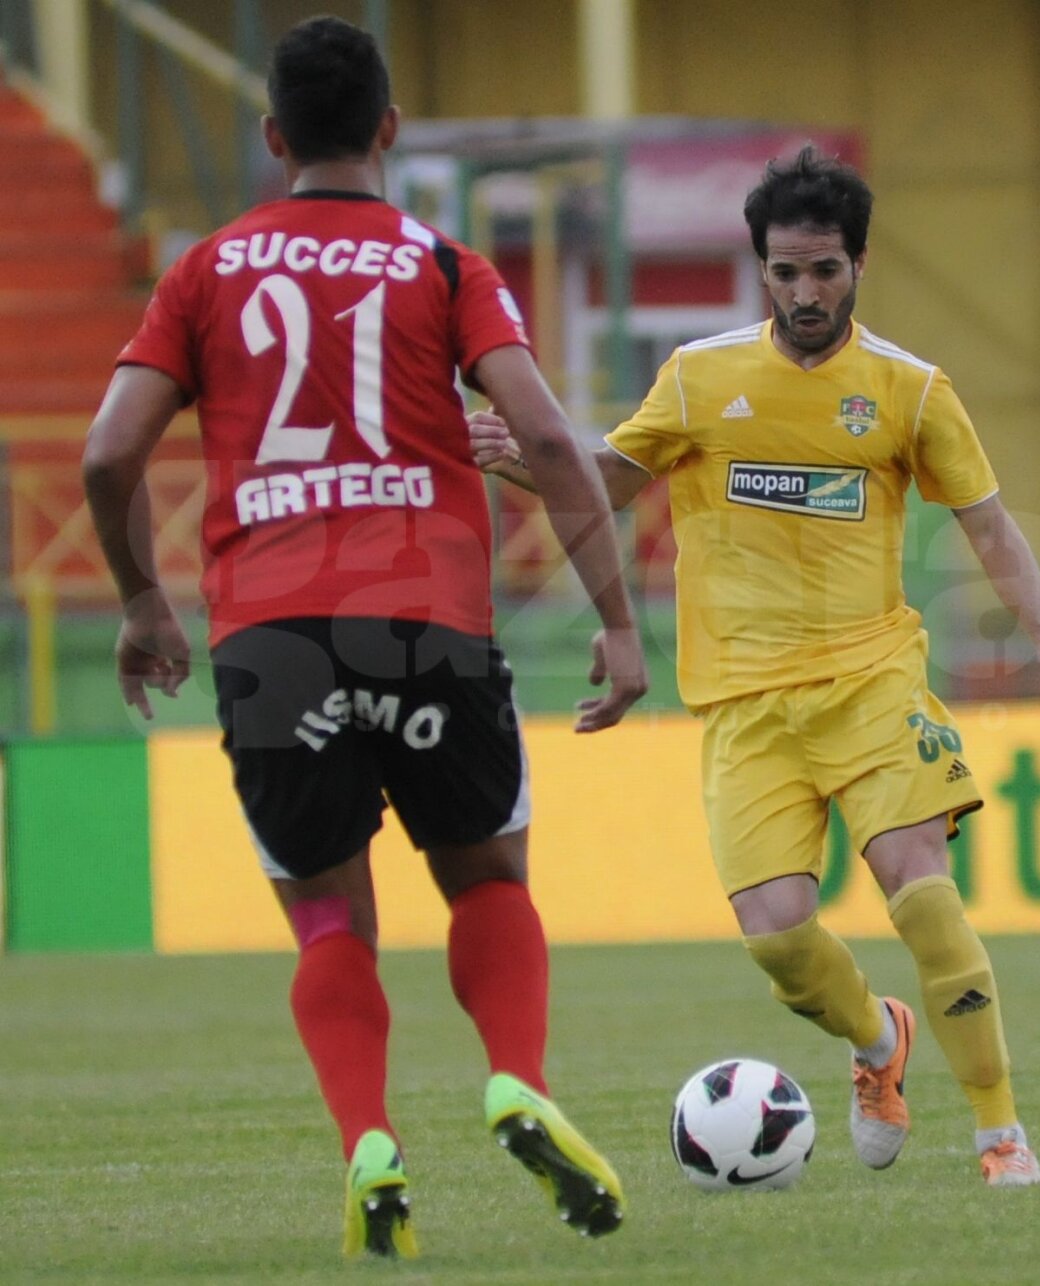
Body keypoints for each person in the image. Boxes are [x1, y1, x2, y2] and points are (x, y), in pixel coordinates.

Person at [83, 16, 646, 1261]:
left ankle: (369, 1142)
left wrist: (138, 600)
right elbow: (551, 441)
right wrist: (615, 618)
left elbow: (109, 450)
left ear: (275, 136)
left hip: (272, 638)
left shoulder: (205, 270)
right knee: (488, 878)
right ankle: (514, 1077)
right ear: (388, 127)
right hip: (429, 625)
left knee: (330, 920)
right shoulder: (444, 267)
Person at [471, 144, 1040, 1188]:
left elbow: (990, 527)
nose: (805, 291)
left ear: (858, 263)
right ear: (760, 269)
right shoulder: (699, 376)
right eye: (785, 271)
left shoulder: (908, 390)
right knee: (777, 939)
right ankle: (877, 1042)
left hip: (872, 679)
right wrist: (517, 453)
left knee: (922, 893)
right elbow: (606, 479)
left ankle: (1000, 1132)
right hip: (741, 700)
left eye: (824, 269)